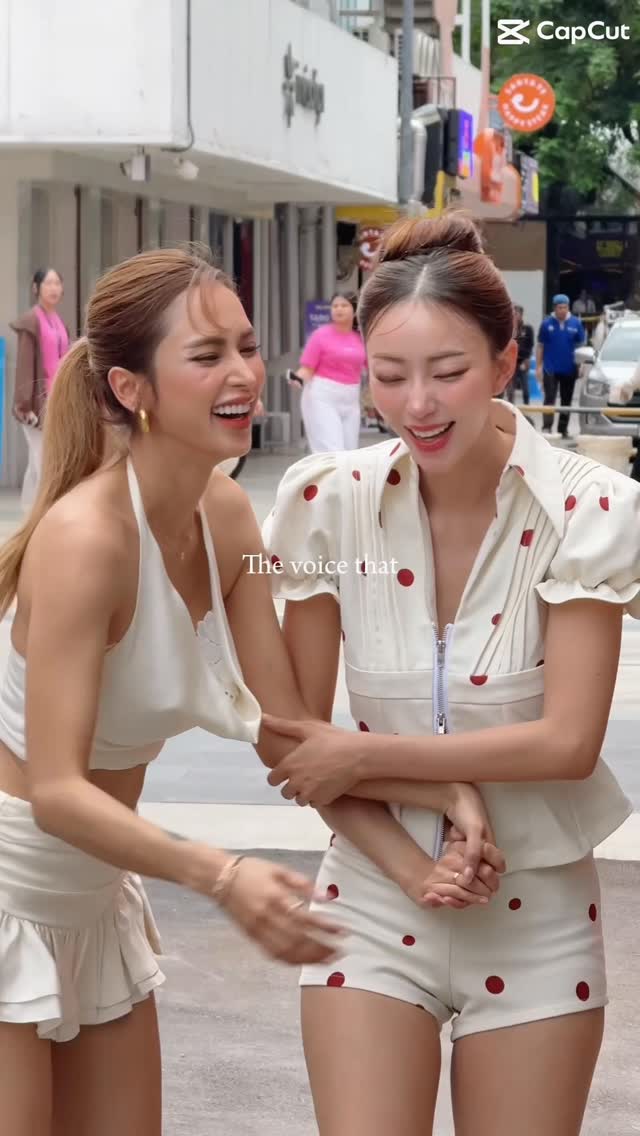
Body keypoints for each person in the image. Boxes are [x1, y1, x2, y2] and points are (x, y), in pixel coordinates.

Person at [0, 245, 496, 1136]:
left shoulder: (228, 517)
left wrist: (431, 816)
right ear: (131, 389)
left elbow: (288, 735)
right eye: (207, 355)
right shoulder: (85, 542)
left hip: (95, 895)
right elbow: (58, 791)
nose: (243, 373)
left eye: (247, 345)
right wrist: (223, 877)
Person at [261, 214, 640, 1136]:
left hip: (538, 913)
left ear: (507, 363)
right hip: (369, 893)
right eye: (390, 376)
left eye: (448, 372)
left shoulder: (590, 508)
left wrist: (368, 756)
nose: (419, 404)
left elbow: (567, 743)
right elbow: (295, 744)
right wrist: (414, 856)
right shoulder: (322, 501)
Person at [11, 268, 71, 510]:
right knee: (43, 462)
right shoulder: (31, 321)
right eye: (48, 283)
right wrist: (24, 405)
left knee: (39, 464)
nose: (54, 288)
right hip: (35, 405)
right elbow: (25, 365)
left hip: (57, 402)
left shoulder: (59, 322)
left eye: (57, 283)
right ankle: (39, 516)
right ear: (36, 288)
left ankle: (30, 514)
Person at [291, 291, 366, 452]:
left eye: (344, 305)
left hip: (351, 399)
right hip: (323, 397)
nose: (338, 309)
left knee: (350, 451)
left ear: (354, 310)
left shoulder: (361, 338)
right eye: (335, 306)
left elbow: (372, 368)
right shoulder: (320, 336)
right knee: (332, 450)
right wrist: (297, 379)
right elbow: (307, 369)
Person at [536, 293, 585, 437]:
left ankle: (563, 429)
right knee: (549, 398)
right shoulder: (546, 324)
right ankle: (547, 427)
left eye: (565, 307)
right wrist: (539, 366)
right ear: (555, 308)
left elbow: (581, 347)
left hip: (570, 367)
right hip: (550, 367)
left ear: (568, 307)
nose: (562, 310)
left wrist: (581, 365)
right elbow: (540, 346)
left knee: (566, 400)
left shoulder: (576, 323)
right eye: (559, 308)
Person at [506, 304, 534, 406]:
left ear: (521, 315)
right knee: (510, 388)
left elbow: (530, 345)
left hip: (522, 361)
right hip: (511, 361)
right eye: (513, 314)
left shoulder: (527, 329)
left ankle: (527, 406)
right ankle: (511, 407)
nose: (515, 316)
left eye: (516, 314)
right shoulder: (508, 329)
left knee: (525, 387)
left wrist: (527, 359)